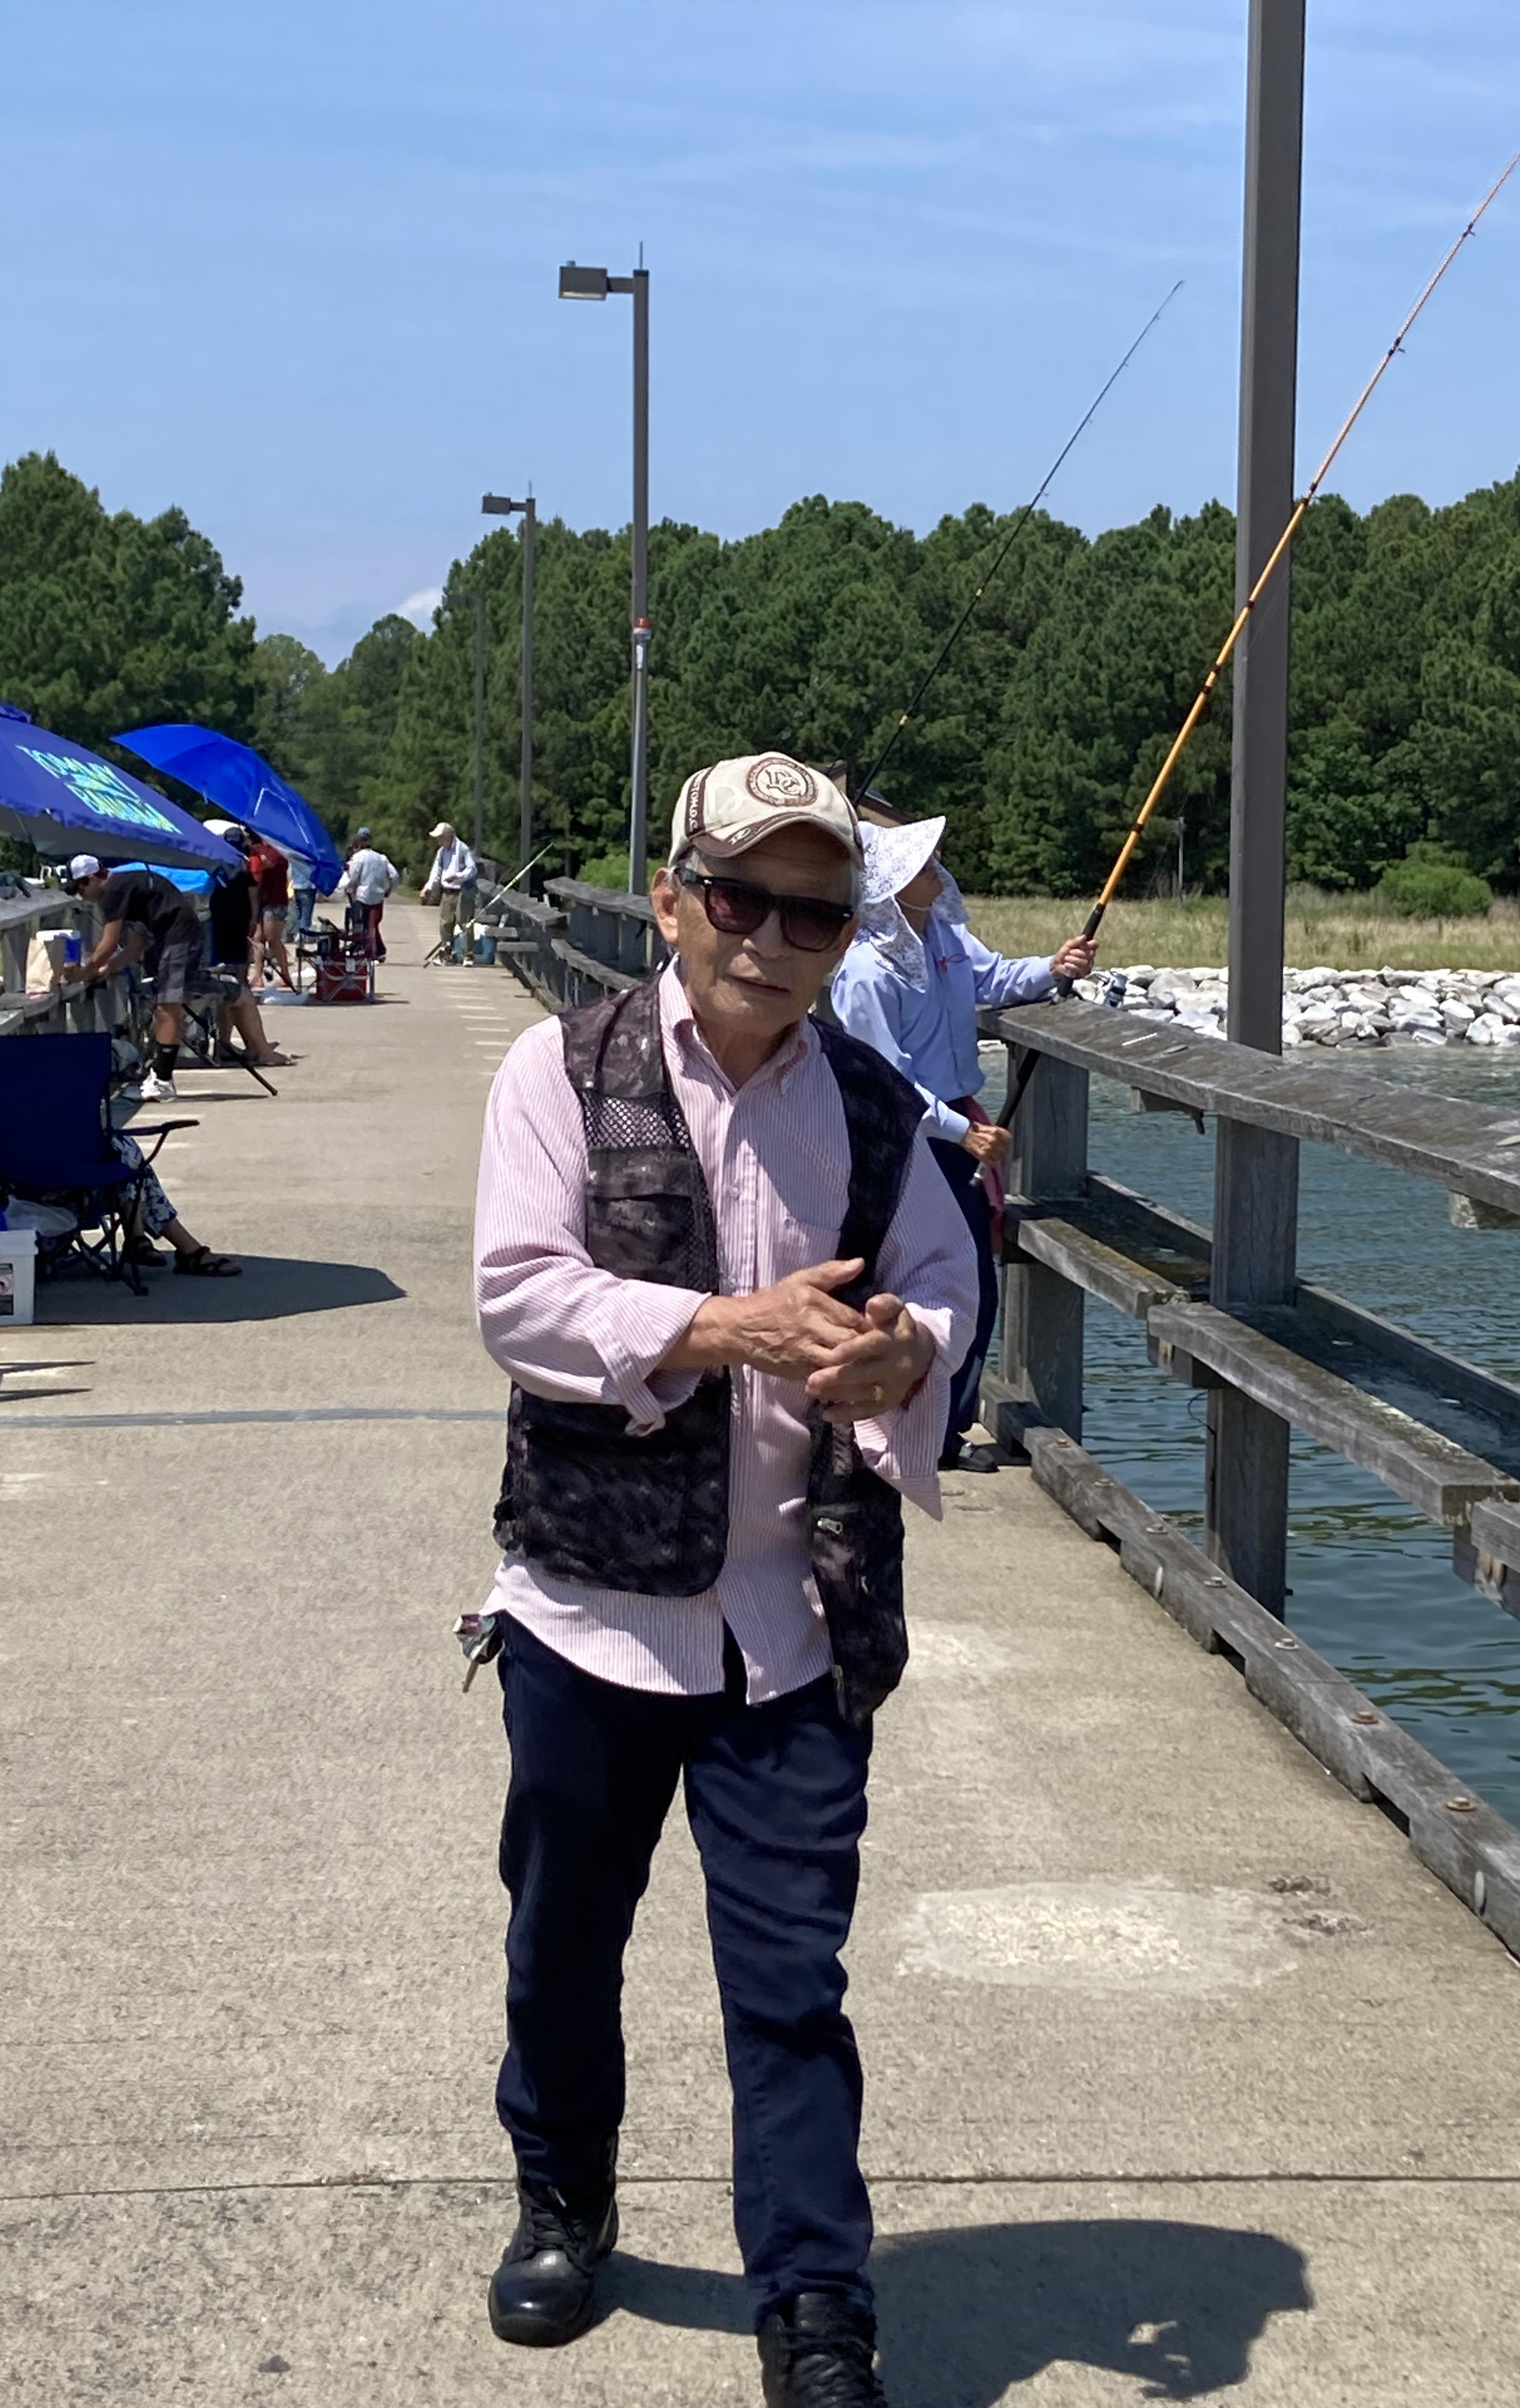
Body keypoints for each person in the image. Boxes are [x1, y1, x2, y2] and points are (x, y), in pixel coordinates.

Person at [473, 751, 976, 2403]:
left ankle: (818, 2306)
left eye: (814, 915)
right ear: (674, 900)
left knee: (790, 1986)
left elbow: (945, 1288)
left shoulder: (880, 1112)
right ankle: (565, 2199)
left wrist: (909, 1357)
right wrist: (716, 1328)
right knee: (562, 1942)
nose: (772, 938)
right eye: (741, 899)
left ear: (846, 937)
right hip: (588, 1613)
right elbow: (519, 1297)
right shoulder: (560, 1069)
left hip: (797, 1623)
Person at [829, 816, 1095, 1475]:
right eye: (924, 865)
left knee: (972, 1284)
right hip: (914, 1143)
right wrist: (961, 1130)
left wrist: (1053, 967)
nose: (938, 871)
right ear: (893, 885)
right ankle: (912, 1427)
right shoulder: (865, 971)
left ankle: (941, 1428)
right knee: (926, 1281)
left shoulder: (946, 937)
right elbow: (886, 1079)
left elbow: (996, 978)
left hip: (958, 1136)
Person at [0, 1027, 240, 1276]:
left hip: (43, 1175)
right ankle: (166, 1243)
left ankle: (148, 1240)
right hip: (22, 1191)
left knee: (118, 1153)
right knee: (120, 1153)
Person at [63, 856, 207, 1100]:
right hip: (175, 935)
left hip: (178, 937)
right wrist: (110, 967)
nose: (81, 895)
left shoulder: (112, 891)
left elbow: (110, 941)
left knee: (168, 1007)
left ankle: (163, 1081)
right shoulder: (129, 885)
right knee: (165, 1008)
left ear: (94, 878)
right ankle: (160, 1075)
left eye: (80, 887)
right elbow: (140, 942)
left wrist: (85, 972)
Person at [204, 844, 295, 1070]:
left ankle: (249, 1044)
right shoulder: (246, 865)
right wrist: (253, 920)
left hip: (220, 937)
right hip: (231, 936)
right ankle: (252, 1047)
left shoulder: (213, 869)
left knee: (237, 988)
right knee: (238, 992)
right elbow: (254, 895)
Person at [335, 830, 398, 959]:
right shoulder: (382, 858)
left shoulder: (358, 858)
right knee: (373, 925)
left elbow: (354, 876)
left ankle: (364, 949)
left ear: (358, 844)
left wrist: (349, 889)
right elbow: (394, 875)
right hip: (378, 897)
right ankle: (378, 950)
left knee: (361, 925)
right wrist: (389, 890)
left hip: (362, 896)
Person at [246, 834, 297, 989]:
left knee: (272, 938)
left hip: (275, 900)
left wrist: (261, 862)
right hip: (261, 900)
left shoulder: (279, 851)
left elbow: (273, 863)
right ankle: (257, 976)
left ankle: (285, 974)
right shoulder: (256, 849)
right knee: (258, 938)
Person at [422, 821, 477, 959]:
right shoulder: (441, 852)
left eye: (440, 837)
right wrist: (428, 887)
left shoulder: (463, 849)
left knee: (464, 922)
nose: (438, 841)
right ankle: (447, 952)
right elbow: (436, 872)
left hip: (462, 890)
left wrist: (458, 876)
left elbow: (472, 869)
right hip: (447, 891)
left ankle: (468, 954)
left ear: (449, 836)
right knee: (445, 923)